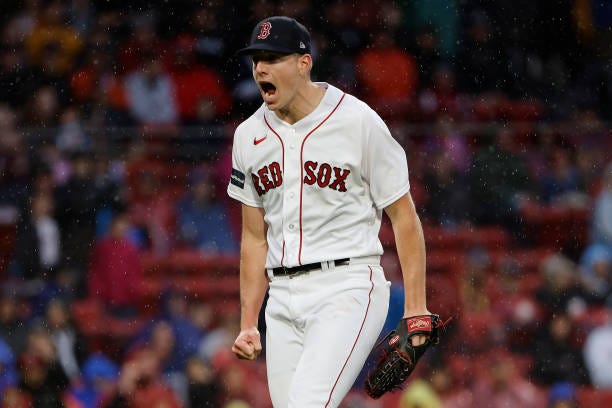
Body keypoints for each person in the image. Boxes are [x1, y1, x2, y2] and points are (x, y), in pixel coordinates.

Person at [227, 16, 430, 407]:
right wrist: (249, 321)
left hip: (347, 286)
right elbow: (254, 237)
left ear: (304, 63)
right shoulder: (247, 137)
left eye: (273, 58)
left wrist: (416, 307)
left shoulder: (358, 122)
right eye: (256, 60)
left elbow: (404, 216)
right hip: (282, 299)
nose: (261, 69)